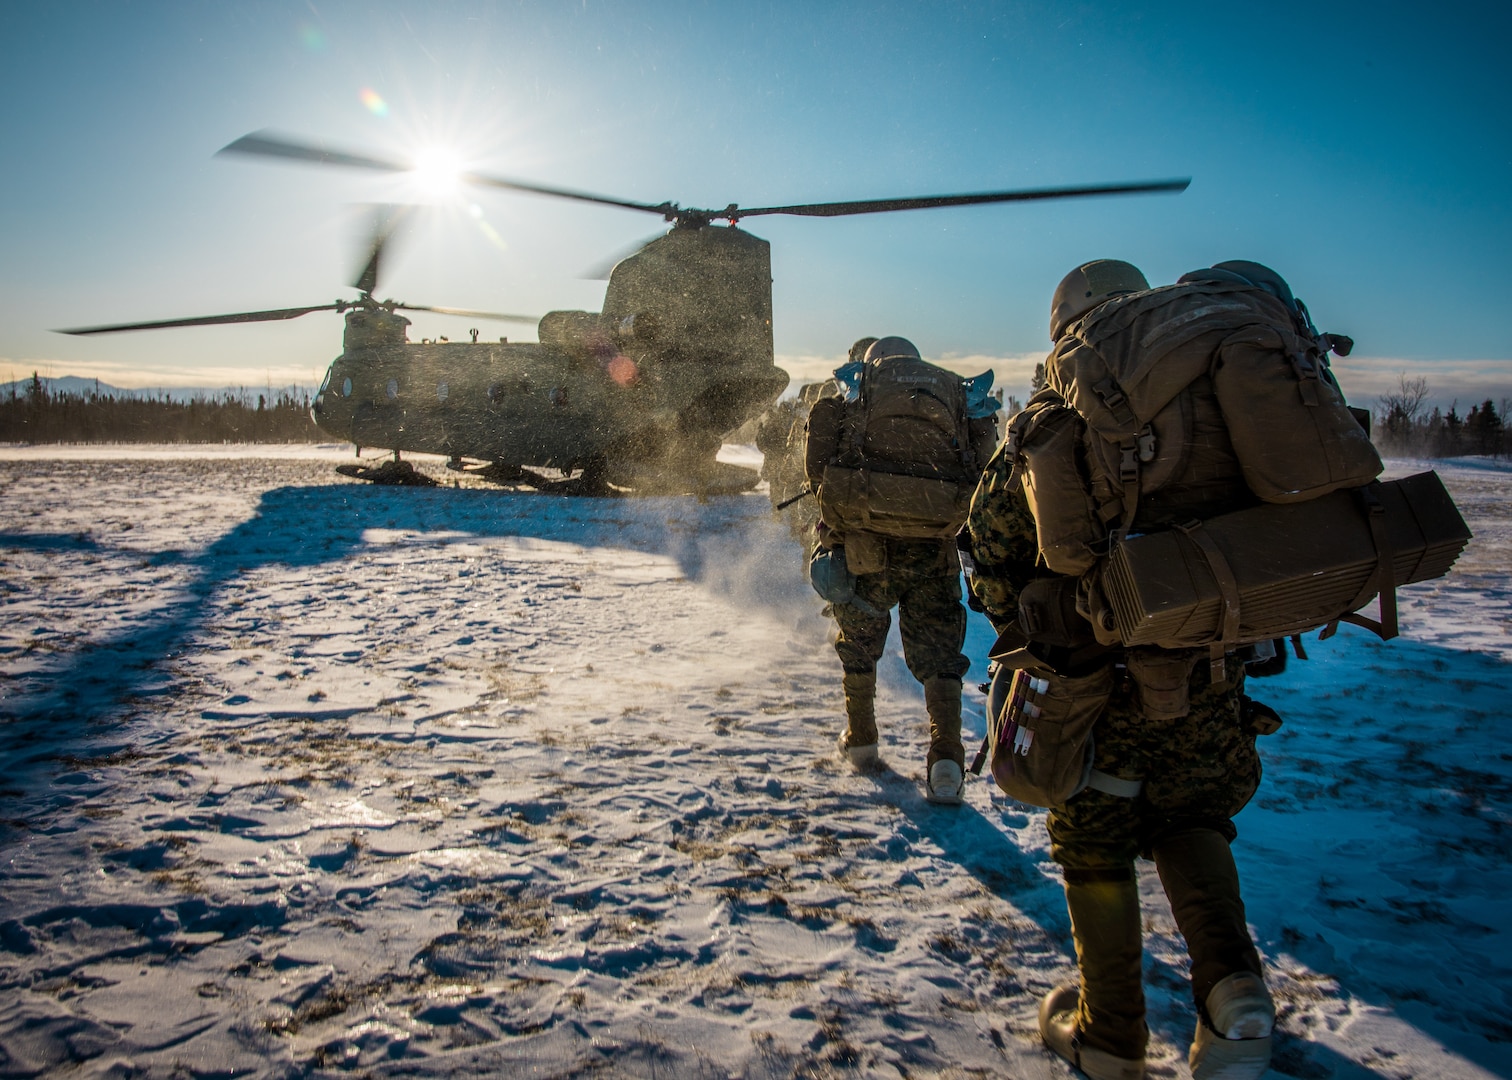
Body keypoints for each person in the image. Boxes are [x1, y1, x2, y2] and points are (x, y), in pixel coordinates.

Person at [967, 261, 1276, 1080]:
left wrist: (1030, 627)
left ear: (1065, 327)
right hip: (1211, 678)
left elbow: (992, 554)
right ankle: (1235, 997)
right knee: (1194, 820)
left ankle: (1110, 1037)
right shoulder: (1224, 408)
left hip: (1091, 690)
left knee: (1094, 845)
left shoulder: (1050, 420)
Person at [805, 335, 995, 805]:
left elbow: (817, 471)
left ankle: (863, 740)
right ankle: (946, 757)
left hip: (866, 547)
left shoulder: (854, 391)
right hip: (933, 549)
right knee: (939, 655)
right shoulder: (951, 392)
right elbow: (985, 467)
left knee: (859, 644)